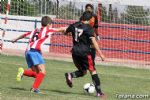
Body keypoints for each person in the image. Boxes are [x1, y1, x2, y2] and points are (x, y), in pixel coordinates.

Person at [12, 16, 65, 93]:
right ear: (48, 24)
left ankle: (23, 72)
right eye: (51, 24)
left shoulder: (35, 30)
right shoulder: (47, 30)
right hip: (34, 52)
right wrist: (70, 28)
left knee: (37, 74)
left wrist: (15, 39)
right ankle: (34, 88)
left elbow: (25, 35)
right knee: (42, 71)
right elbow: (60, 29)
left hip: (27, 52)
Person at [64, 11, 106, 99]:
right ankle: (99, 93)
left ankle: (70, 75)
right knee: (93, 71)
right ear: (90, 19)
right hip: (85, 53)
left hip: (75, 53)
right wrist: (101, 54)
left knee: (83, 71)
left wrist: (70, 34)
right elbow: (94, 42)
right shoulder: (89, 28)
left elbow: (66, 32)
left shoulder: (74, 25)